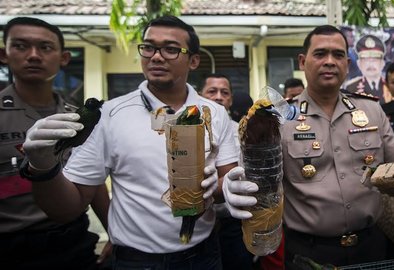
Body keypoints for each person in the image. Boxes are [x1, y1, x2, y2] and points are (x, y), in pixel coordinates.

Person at [22, 15, 238, 269]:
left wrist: (216, 187)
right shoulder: (110, 115)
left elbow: (230, 179)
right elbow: (68, 209)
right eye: (148, 47)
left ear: (193, 60)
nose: (156, 57)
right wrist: (43, 168)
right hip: (136, 261)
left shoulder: (215, 112)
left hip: (205, 255)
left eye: (170, 49)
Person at [223, 25, 394, 269]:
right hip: (308, 252)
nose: (330, 61)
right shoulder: (276, 118)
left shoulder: (371, 110)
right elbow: (255, 181)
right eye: (320, 54)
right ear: (302, 61)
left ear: (348, 63)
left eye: (338, 55)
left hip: (370, 246)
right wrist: (235, 188)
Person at [0, 17, 110, 270]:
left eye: (45, 47)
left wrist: (114, 232)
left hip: (71, 240)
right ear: (4, 54)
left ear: (64, 58)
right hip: (10, 244)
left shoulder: (79, 115)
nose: (34, 55)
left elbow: (92, 179)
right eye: (21, 46)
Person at [200, 73, 253, 270]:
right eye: (212, 91)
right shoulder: (187, 130)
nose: (219, 96)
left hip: (233, 223)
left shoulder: (243, 131)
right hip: (198, 223)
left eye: (225, 92)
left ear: (230, 99)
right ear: (200, 95)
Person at [344, 34, 390, 104]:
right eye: (366, 60)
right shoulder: (351, 87)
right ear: (359, 64)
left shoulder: (390, 86)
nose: (370, 64)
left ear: (382, 63)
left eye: (374, 60)